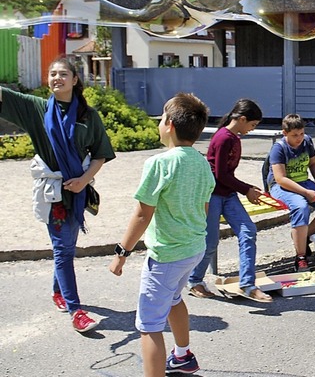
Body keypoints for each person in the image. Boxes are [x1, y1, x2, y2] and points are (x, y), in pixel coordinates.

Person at [0, 56, 115, 333]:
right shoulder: (36, 109)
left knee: (65, 248)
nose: (56, 78)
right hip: (54, 194)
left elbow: (101, 154)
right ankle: (76, 311)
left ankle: (57, 292)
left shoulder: (89, 116)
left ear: (75, 80)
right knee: (63, 249)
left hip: (78, 190)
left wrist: (84, 181)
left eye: (63, 73)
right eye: (52, 73)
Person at [109, 93, 214, 376]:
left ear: (168, 123)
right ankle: (182, 356)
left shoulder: (159, 163)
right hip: (194, 248)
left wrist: (122, 253)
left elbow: (143, 214)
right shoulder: (203, 164)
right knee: (174, 300)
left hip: (167, 254)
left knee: (149, 325)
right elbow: (202, 209)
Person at [187, 99, 272, 303]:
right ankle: (195, 281)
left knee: (248, 231)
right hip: (213, 194)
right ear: (242, 119)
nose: (253, 129)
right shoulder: (224, 138)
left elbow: (227, 175)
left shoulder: (234, 137)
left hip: (228, 194)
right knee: (210, 242)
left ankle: (247, 285)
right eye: (252, 125)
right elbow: (221, 175)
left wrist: (246, 189)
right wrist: (247, 190)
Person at [266, 114, 315, 272]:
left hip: (304, 181)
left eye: (301, 134)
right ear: (284, 133)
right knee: (301, 207)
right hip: (281, 186)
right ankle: (300, 257)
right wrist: (306, 192)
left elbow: (313, 163)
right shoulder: (278, 148)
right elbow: (280, 179)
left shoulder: (307, 141)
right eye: (294, 135)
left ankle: (301, 236)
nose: (299, 138)